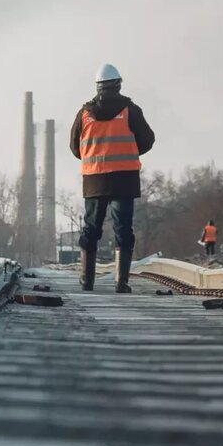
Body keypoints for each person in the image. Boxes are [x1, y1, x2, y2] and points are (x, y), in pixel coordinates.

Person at [70, 63, 156, 292]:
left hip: (94, 179)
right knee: (123, 228)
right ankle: (121, 282)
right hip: (124, 179)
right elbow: (147, 139)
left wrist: (94, 156)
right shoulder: (131, 110)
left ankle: (87, 281)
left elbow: (74, 146)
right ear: (118, 84)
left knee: (90, 229)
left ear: (97, 87)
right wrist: (128, 152)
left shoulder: (84, 114)